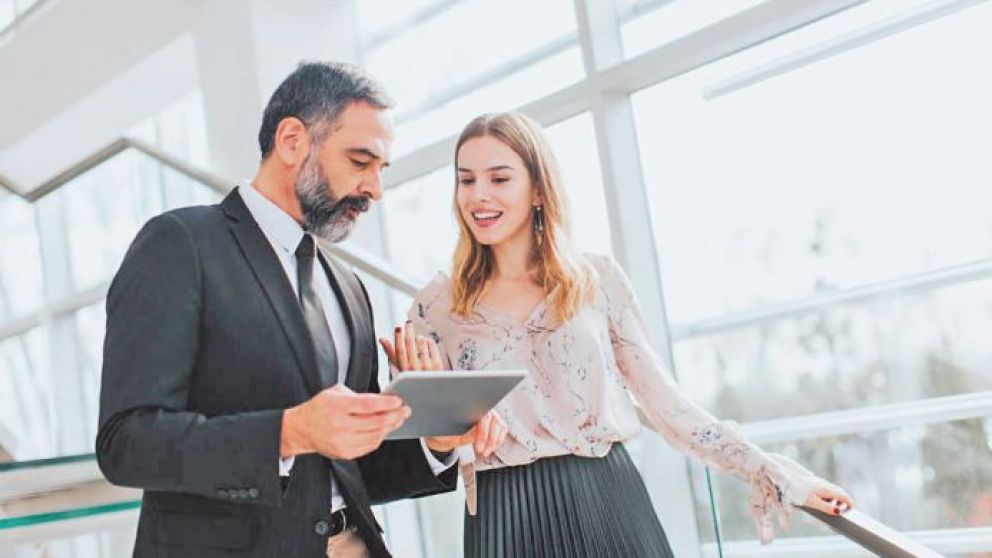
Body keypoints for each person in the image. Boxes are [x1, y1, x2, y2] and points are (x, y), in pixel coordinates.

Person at [381, 111, 855, 558]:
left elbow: (665, 403)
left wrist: (771, 472)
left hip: (608, 497)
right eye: (466, 180)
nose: (478, 195)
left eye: (499, 178)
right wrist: (428, 411)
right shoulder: (436, 306)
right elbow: (428, 440)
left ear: (539, 190)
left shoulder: (596, 281)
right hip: (506, 513)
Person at [95, 62, 504, 558]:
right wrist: (289, 432)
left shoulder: (348, 287)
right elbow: (127, 443)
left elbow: (353, 468)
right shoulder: (181, 245)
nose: (375, 189)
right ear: (292, 140)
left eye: (381, 169)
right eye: (360, 161)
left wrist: (436, 441)